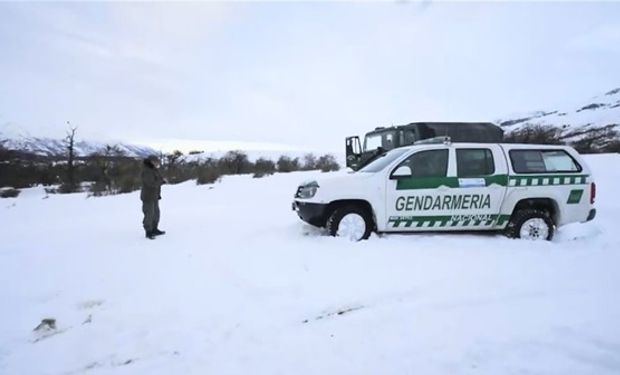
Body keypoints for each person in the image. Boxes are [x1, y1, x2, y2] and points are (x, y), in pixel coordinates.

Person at [141, 155, 165, 239]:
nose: (157, 163)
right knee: (149, 214)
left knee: (156, 214)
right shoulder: (147, 171)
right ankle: (149, 231)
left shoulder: (154, 170)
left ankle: (154, 229)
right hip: (148, 196)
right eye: (156, 161)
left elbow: (159, 179)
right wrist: (161, 182)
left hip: (155, 196)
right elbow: (151, 183)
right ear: (151, 161)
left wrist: (162, 180)